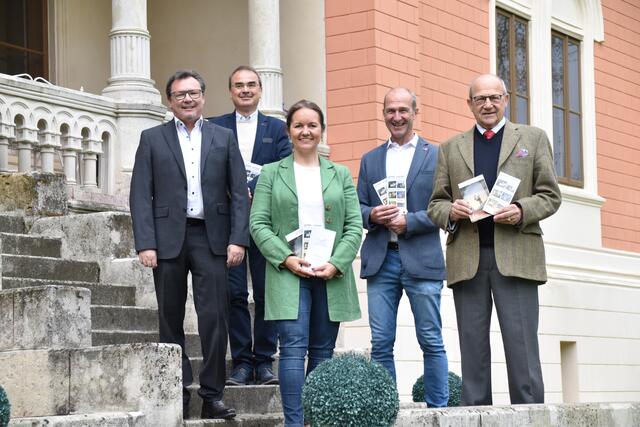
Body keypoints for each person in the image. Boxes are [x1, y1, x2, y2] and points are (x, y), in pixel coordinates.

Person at [427, 74, 562, 405]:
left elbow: (550, 195)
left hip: (516, 256)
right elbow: (435, 204)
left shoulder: (532, 138)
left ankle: (531, 416)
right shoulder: (450, 147)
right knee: (472, 350)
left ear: (505, 99)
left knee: (523, 350)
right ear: (470, 104)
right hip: (468, 260)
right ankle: (474, 416)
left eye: (493, 97)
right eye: (479, 99)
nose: (487, 104)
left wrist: (520, 209)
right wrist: (451, 212)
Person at [129, 70, 249, 420]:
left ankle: (212, 396)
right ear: (170, 100)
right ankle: (175, 391)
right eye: (180, 94)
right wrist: (145, 243)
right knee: (169, 319)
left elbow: (239, 194)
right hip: (166, 240)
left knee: (215, 319)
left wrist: (237, 239)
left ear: (203, 97)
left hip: (211, 237)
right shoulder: (152, 138)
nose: (187, 99)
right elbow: (140, 194)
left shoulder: (224, 138)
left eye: (193, 92)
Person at [250, 100, 362, 426]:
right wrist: (285, 257)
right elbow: (258, 224)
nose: (306, 131)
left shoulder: (339, 174)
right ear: (289, 131)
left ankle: (318, 419)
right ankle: (294, 423)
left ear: (321, 130)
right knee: (293, 349)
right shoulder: (272, 173)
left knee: (323, 352)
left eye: (312, 125)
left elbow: (354, 225)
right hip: (289, 272)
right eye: (298, 125)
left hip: (331, 273)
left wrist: (338, 262)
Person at [356, 87, 449, 407]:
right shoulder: (370, 160)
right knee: (381, 343)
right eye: (390, 111)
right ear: (383, 114)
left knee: (431, 340)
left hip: (421, 259)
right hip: (381, 260)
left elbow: (446, 208)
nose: (396, 117)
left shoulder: (436, 155)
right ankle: (387, 409)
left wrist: (411, 221)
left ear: (414, 112)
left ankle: (439, 409)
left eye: (403, 110)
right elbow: (358, 208)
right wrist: (373, 215)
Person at [209, 65, 291, 386]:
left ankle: (264, 361)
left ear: (260, 90)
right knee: (234, 294)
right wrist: (229, 190)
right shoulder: (214, 127)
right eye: (239, 85)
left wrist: (258, 192)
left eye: (251, 85)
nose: (245, 90)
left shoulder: (278, 128)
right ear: (230, 91)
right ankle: (242, 362)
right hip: (227, 224)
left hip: (266, 222)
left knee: (267, 293)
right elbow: (204, 169)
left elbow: (286, 169)